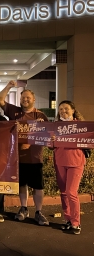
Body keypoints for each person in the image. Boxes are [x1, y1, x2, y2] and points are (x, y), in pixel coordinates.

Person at [0, 80, 49, 226]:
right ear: (20, 99)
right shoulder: (15, 112)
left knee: (38, 187)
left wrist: (42, 127)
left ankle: (39, 212)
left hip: (35, 158)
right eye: (23, 98)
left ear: (34, 100)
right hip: (18, 158)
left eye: (28, 98)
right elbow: (0, 100)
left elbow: (49, 136)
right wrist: (8, 86)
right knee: (22, 185)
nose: (25, 100)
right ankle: (24, 208)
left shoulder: (40, 115)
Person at [52, 100, 86, 235]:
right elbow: (50, 145)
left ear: (73, 110)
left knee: (71, 192)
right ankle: (67, 218)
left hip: (76, 162)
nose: (63, 111)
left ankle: (76, 223)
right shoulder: (55, 126)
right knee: (64, 192)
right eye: (61, 109)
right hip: (60, 161)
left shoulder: (81, 126)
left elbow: (88, 141)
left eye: (66, 109)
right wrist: (51, 140)